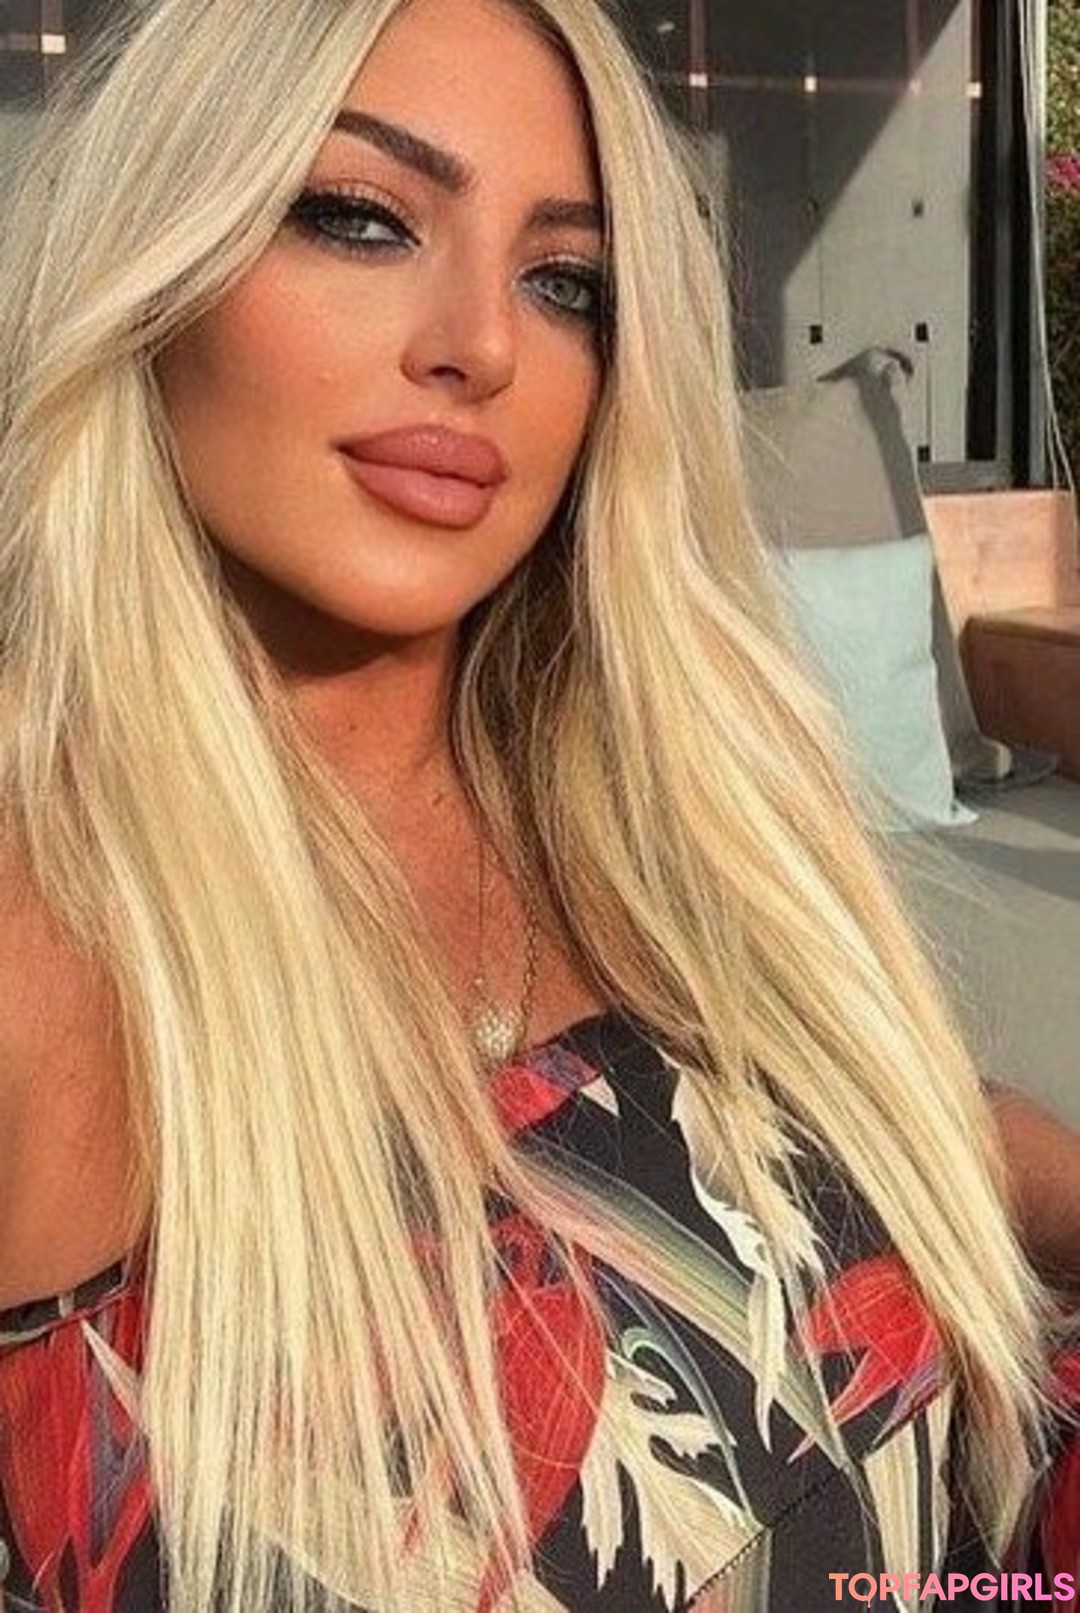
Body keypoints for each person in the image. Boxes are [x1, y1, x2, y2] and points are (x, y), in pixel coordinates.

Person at [0, 1, 1075, 1609]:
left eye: (566, 281)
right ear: (157, 264)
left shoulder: (672, 794)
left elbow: (882, 1117)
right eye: (359, 216)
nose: (483, 346)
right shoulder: (54, 921)